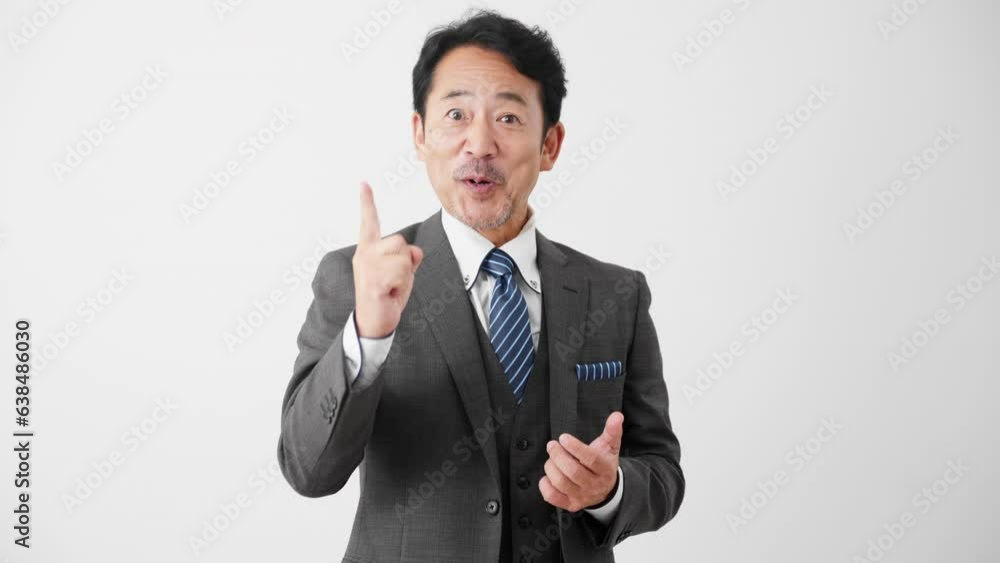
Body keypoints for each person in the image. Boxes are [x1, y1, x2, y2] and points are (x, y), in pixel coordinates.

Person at [277, 9, 684, 562]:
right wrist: (366, 338)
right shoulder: (357, 278)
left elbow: (662, 472)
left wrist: (609, 491)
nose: (480, 144)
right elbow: (308, 471)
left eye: (509, 118)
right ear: (420, 134)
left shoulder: (618, 295)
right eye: (456, 114)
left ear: (550, 144)